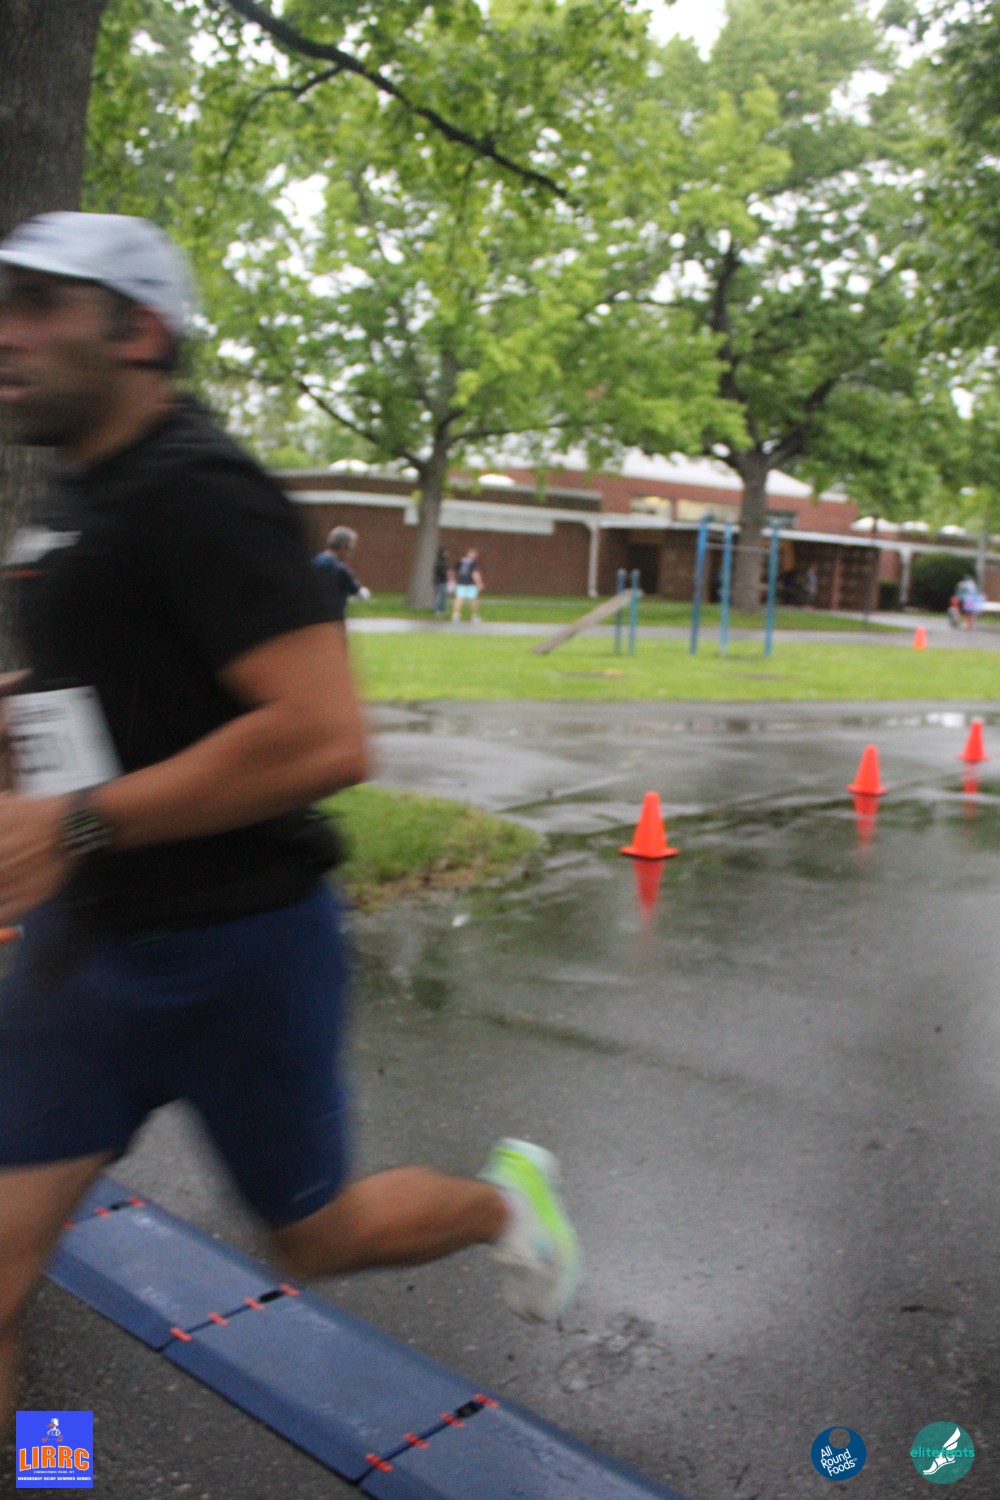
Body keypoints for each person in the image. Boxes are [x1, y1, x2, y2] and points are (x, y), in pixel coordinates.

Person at [0, 212, 580, 1436]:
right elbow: (104, 677)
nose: (9, 331)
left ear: (138, 330)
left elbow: (324, 738)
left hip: (239, 951)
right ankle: (53, 1475)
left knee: (317, 1235)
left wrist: (74, 826)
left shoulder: (206, 493)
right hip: (85, 954)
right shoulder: (78, 491)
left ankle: (502, 1202)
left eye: (41, 304)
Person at [312, 525, 371, 627]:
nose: (350, 554)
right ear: (344, 547)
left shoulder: (313, 561)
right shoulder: (340, 569)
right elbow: (359, 595)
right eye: (351, 549)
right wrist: (366, 592)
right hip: (332, 620)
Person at [451, 547, 484, 623]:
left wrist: (454, 580)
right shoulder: (473, 562)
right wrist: (479, 583)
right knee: (473, 599)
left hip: (461, 582)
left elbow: (454, 570)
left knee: (459, 598)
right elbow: (475, 574)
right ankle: (474, 616)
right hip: (470, 583)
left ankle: (455, 616)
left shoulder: (460, 560)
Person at [432, 546, 451, 617]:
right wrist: (446, 572)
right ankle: (437, 609)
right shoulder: (439, 562)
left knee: (444, 596)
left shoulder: (443, 561)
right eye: (445, 552)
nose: (447, 554)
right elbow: (440, 571)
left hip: (443, 581)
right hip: (440, 581)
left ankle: (442, 609)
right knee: (439, 596)